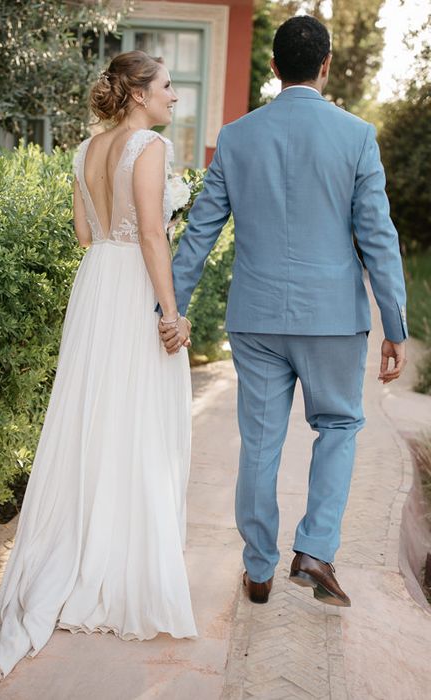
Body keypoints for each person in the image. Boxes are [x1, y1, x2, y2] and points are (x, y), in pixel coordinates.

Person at [0, 50, 197, 681]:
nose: (174, 95)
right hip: (132, 289)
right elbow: (150, 234)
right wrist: (170, 313)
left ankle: (76, 551)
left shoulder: (83, 151)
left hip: (95, 289)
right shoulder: (148, 147)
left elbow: (87, 238)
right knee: (136, 418)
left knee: (91, 414)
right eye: (168, 86)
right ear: (140, 93)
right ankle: (115, 566)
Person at [160, 15, 407, 608]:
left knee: (261, 442)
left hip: (257, 314)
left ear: (272, 69)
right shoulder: (356, 136)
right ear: (325, 66)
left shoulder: (237, 136)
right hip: (332, 320)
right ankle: (316, 551)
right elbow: (378, 236)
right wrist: (395, 327)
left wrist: (166, 308)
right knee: (341, 426)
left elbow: (199, 234)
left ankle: (259, 569)